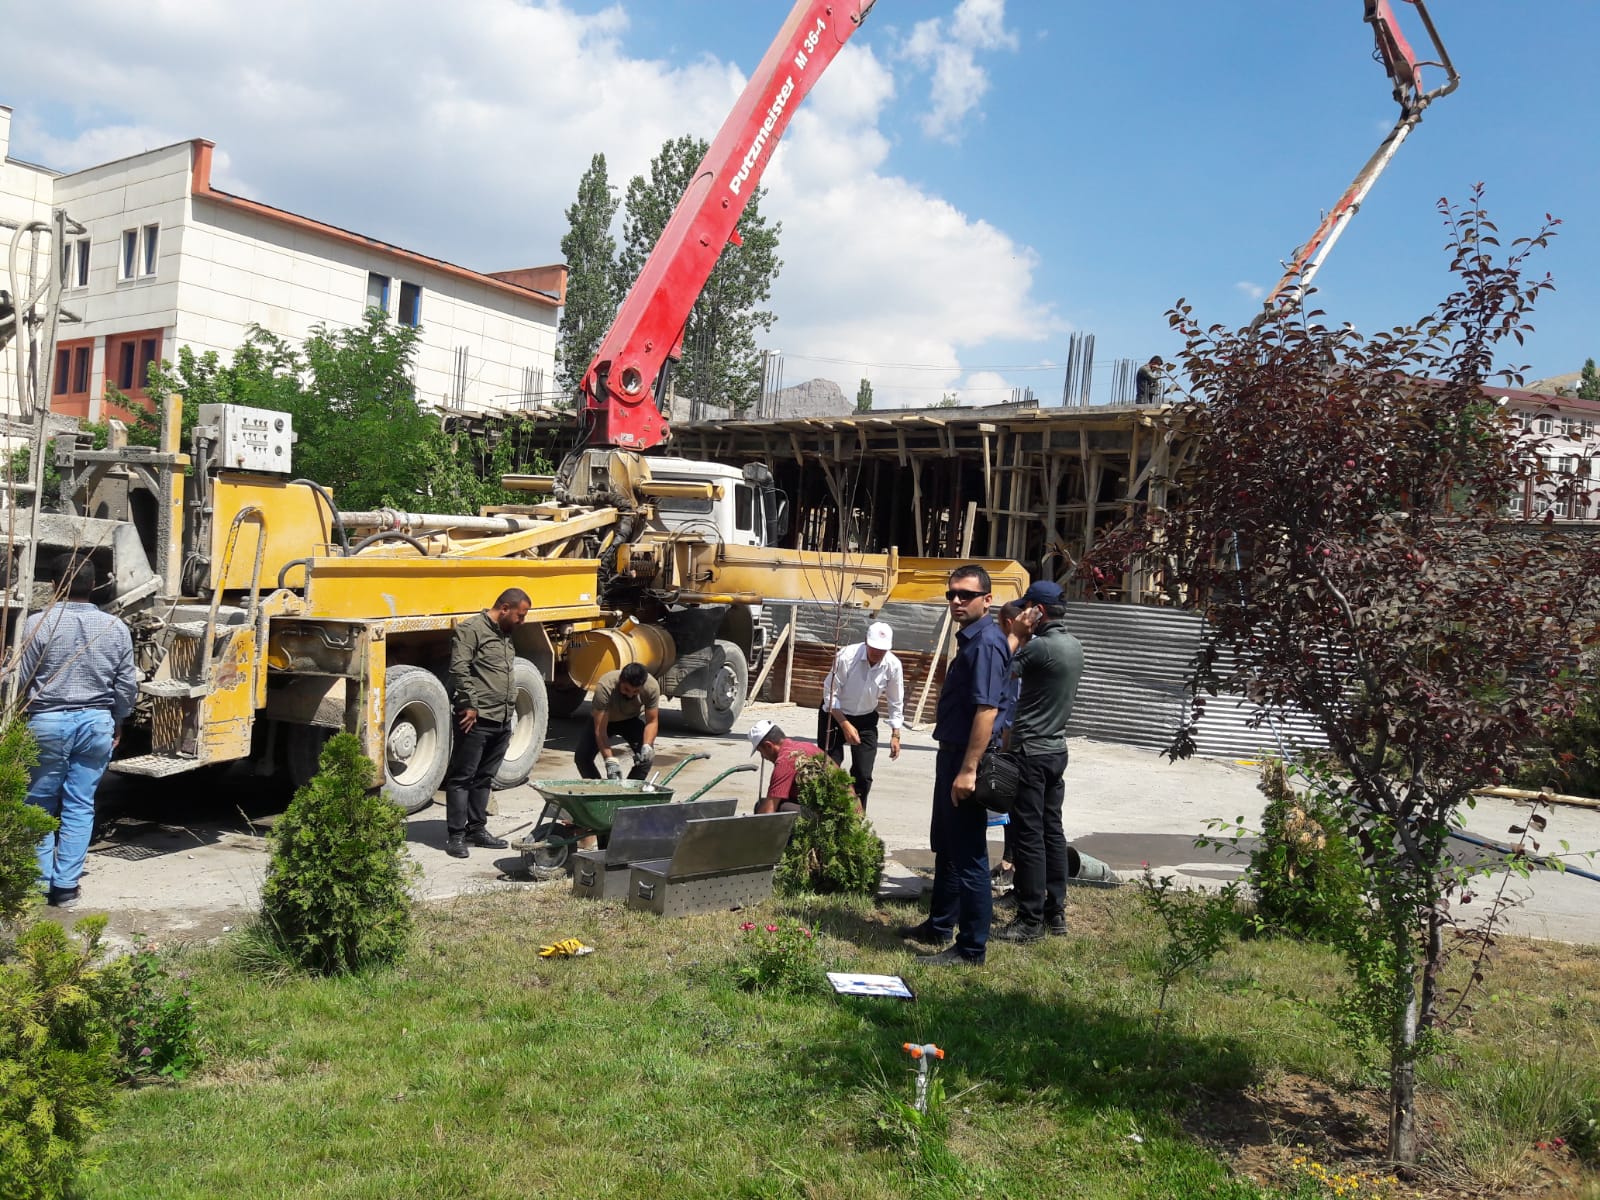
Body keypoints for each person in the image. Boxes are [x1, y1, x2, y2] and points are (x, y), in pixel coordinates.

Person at [900, 564, 1011, 966]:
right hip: (951, 754)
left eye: (965, 594)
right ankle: (940, 924)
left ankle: (971, 948)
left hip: (967, 759)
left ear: (987, 598)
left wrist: (968, 770)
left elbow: (987, 710)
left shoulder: (984, 644)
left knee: (969, 856)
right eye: (951, 595)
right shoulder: (973, 639)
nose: (957, 601)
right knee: (946, 846)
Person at [15, 557, 138, 907]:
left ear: (54, 585)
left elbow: (22, 681)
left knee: (38, 803)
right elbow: (126, 685)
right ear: (95, 585)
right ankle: (66, 887)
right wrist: (119, 719)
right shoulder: (115, 628)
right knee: (80, 805)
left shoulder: (36, 625)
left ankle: (38, 883)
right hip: (96, 723)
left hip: (47, 723)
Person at [993, 580, 1085, 943]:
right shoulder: (1074, 646)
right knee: (1052, 831)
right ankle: (1055, 912)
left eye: (1026, 608)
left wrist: (1016, 633)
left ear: (1039, 612)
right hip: (1056, 751)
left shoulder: (1040, 648)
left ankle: (1029, 919)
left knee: (1029, 836)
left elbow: (998, 666)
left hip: (1030, 751)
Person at [443, 587, 530, 859]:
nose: (522, 621)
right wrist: (469, 703)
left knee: (484, 778)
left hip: (501, 718)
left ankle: (477, 829)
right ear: (504, 608)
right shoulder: (472, 630)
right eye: (520, 615)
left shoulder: (505, 635)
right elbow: (459, 668)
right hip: (477, 718)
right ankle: (456, 836)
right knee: (462, 777)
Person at [816, 620, 904, 811]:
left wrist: (895, 734)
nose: (877, 654)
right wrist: (845, 724)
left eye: (883, 650)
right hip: (834, 713)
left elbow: (895, 700)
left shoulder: (893, 665)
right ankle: (825, 812)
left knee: (863, 773)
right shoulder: (846, 656)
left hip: (865, 717)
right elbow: (830, 694)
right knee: (830, 768)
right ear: (866, 642)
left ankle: (856, 817)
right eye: (874, 648)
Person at [990, 599, 1032, 893]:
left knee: (1016, 806)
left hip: (1018, 741)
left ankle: (1011, 864)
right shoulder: (1010, 652)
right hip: (1014, 737)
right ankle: (1009, 861)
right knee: (1008, 806)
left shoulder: (1024, 653)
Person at [576, 663, 661, 781]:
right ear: (620, 681)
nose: (630, 694)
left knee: (646, 759)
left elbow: (652, 721)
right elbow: (600, 731)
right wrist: (610, 760)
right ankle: (597, 791)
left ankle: (630, 791)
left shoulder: (651, 687)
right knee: (582, 757)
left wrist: (647, 745)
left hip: (631, 720)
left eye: (635, 691)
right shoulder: (605, 686)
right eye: (626, 689)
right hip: (605, 721)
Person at [748, 719, 817, 814]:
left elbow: (768, 812)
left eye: (761, 752)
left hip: (822, 817)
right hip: (836, 807)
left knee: (767, 806)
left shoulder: (784, 762)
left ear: (768, 746)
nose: (763, 756)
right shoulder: (807, 745)